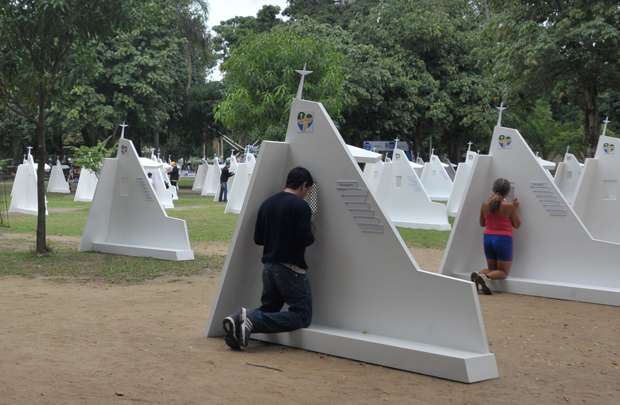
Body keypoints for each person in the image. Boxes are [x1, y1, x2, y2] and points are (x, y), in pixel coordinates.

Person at [223, 167, 315, 350]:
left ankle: (238, 321)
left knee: (270, 308)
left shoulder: (267, 204)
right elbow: (305, 239)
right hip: (291, 268)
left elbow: (258, 239)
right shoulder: (301, 207)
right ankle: (250, 321)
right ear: (304, 185)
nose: (307, 195)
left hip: (269, 266)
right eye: (308, 190)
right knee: (302, 315)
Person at [471, 178, 521, 295]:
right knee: (503, 272)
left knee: (492, 269)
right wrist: (514, 209)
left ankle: (479, 275)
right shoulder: (509, 206)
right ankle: (484, 277)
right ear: (507, 192)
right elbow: (517, 225)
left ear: (493, 189)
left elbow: (482, 223)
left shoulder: (484, 205)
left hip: (488, 238)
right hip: (503, 240)